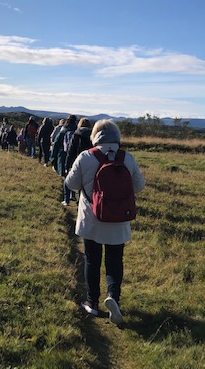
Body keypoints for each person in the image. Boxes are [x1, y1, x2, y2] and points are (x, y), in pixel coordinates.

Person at [64, 119, 145, 325]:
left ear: (95, 136)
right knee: (115, 261)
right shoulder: (127, 158)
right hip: (118, 220)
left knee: (92, 260)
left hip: (91, 219)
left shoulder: (86, 157)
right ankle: (113, 298)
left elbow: (70, 184)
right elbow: (139, 186)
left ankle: (92, 302)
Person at [55, 115, 78, 206]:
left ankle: (66, 199)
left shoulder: (63, 130)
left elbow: (57, 142)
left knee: (66, 177)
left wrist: (53, 157)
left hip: (64, 155)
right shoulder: (77, 130)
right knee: (73, 175)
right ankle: (73, 195)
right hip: (76, 157)